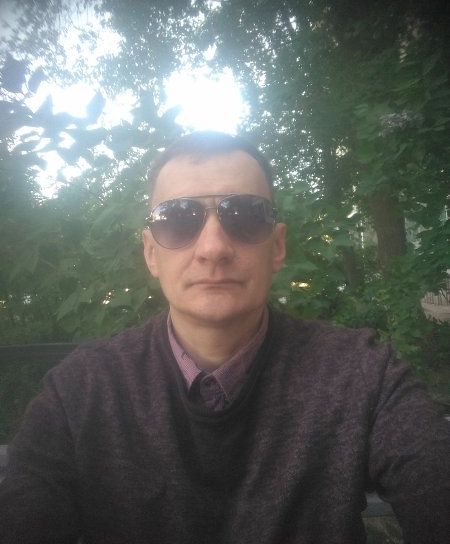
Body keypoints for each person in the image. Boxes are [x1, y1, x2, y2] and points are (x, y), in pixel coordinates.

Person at [0, 131, 449, 544]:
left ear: (277, 247)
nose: (213, 247)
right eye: (178, 220)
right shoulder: (80, 391)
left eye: (246, 217)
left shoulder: (364, 377)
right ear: (151, 253)